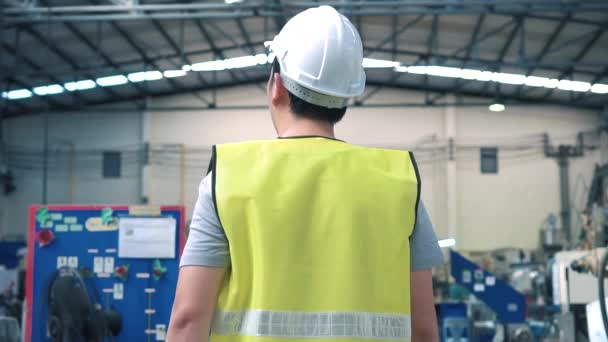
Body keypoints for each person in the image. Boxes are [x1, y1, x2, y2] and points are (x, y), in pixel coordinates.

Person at [167, 6, 443, 342]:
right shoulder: (399, 182)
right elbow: (424, 329)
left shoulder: (228, 176)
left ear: (276, 85)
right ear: (346, 96)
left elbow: (188, 319)